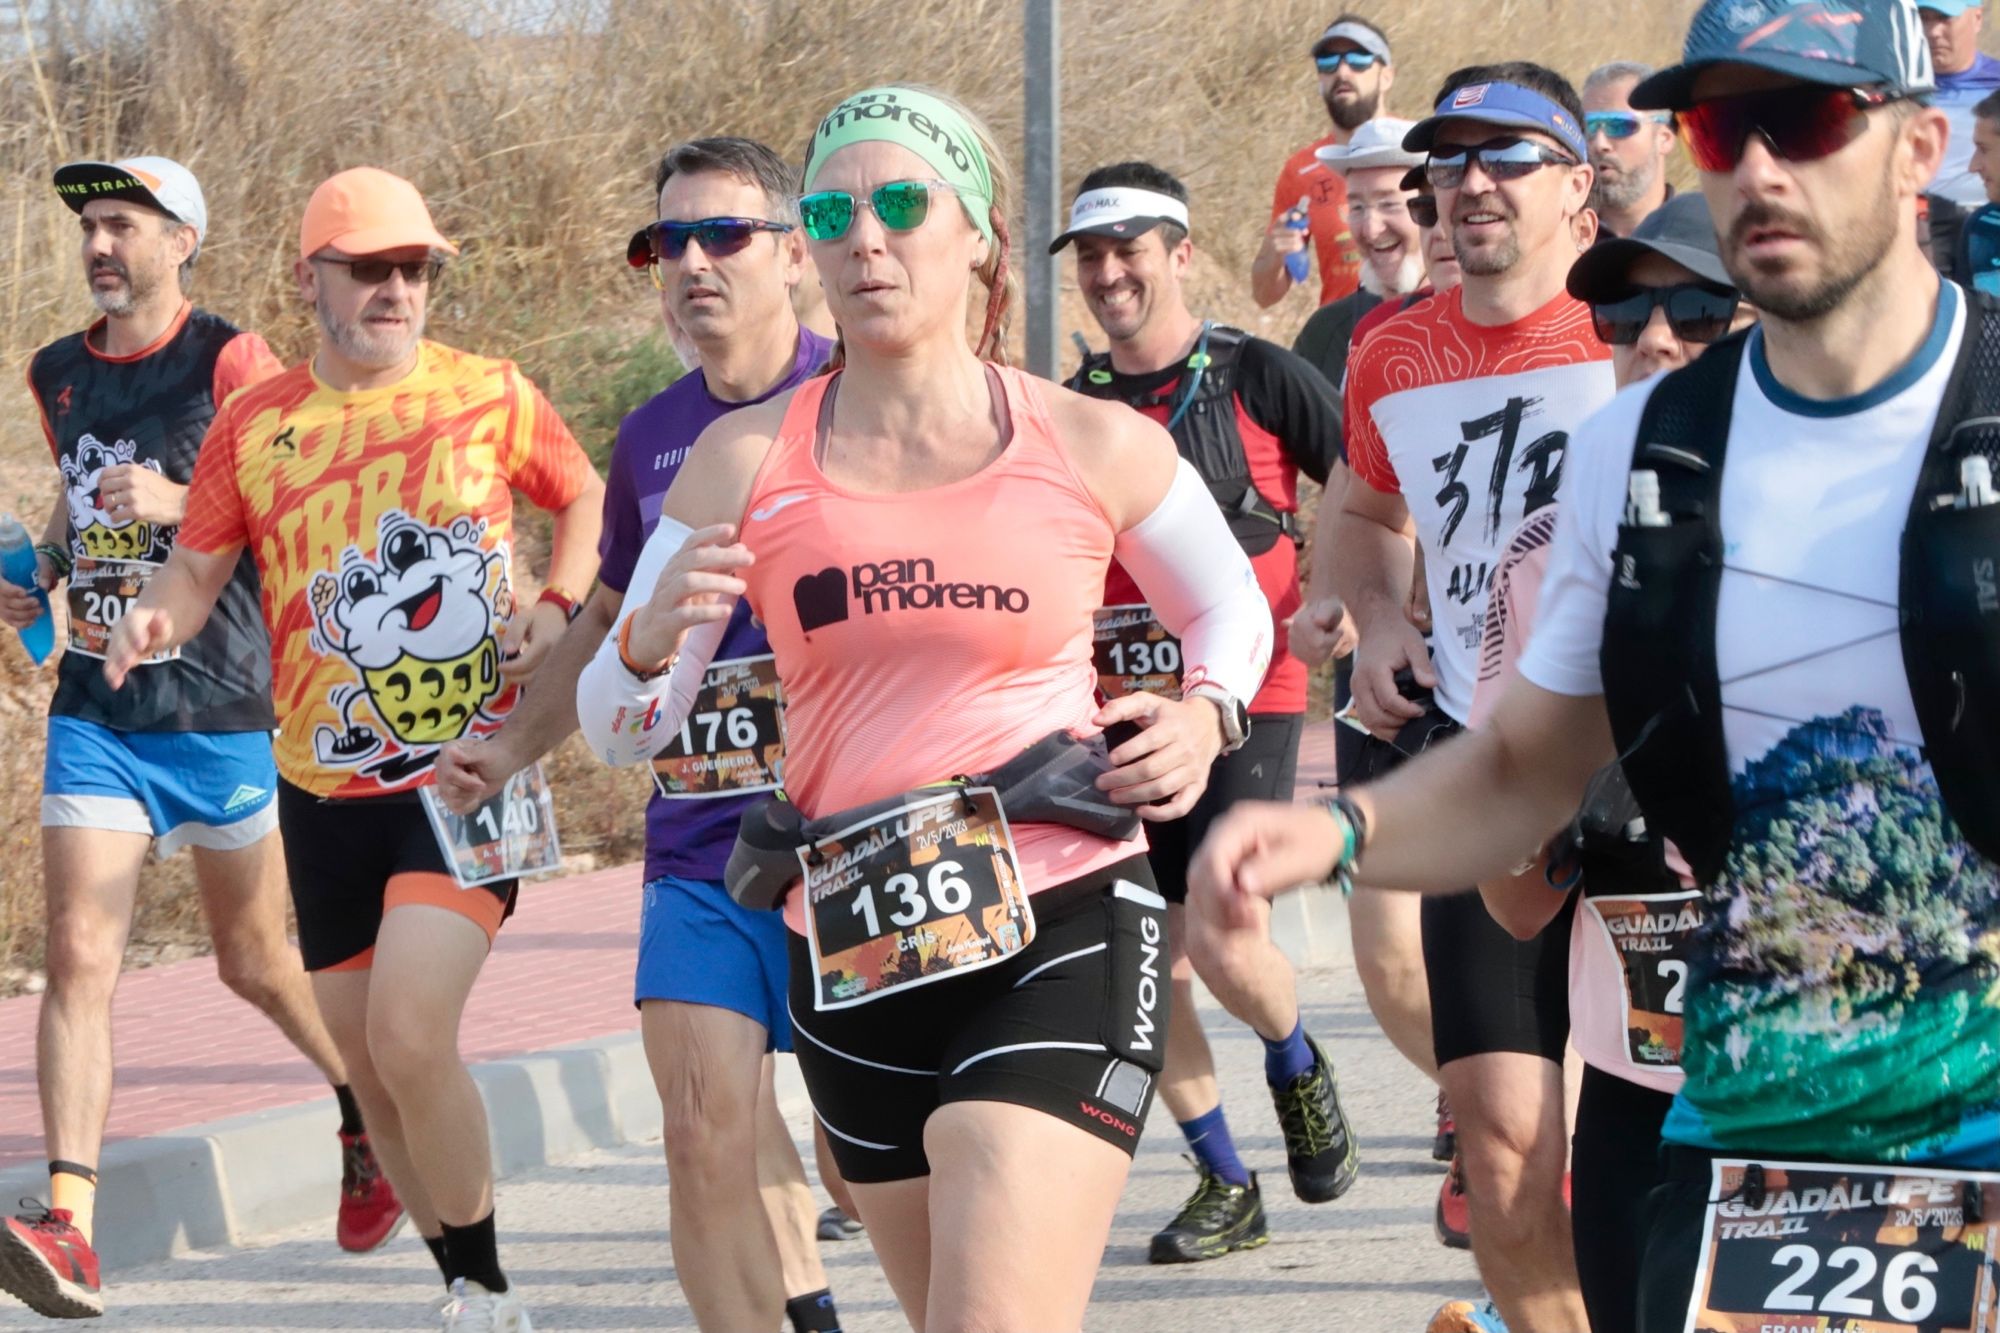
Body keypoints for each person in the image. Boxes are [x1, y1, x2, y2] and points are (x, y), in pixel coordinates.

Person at [1194, 3, 2000, 1330]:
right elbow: (1523, 760)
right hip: (1759, 1109)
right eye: (1718, 128)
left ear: (1919, 146)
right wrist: (1333, 831)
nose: (1756, 168)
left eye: (1800, 120)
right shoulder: (1647, 451)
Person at [573, 84, 1273, 1331]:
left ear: (980, 233)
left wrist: (1206, 711)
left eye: (902, 203)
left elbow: (1232, 608)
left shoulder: (1085, 438)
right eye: (833, 210)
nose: (866, 238)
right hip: (850, 945)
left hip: (1063, 914)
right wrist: (639, 640)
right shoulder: (745, 460)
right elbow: (623, 730)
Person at [101, 166, 604, 1332]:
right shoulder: (254, 423)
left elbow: (580, 495)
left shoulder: (489, 393)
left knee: (411, 1031)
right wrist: (154, 618)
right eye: (369, 268)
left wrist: (560, 600)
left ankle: (488, 1286)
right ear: (310, 278)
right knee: (373, 1076)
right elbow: (197, 567)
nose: (394, 289)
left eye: (413, 269)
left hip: (465, 775)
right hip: (318, 786)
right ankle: (457, 1277)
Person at [432, 136, 845, 1333]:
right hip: (701, 841)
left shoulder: (863, 395)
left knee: (859, 1159)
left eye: (724, 235)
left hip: (854, 834)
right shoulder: (652, 438)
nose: (693, 262)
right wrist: (509, 746)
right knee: (702, 1123)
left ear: (794, 254)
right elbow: (610, 617)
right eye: (671, 241)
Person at [0, 156, 394, 1323]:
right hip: (99, 710)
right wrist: (43, 577)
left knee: (255, 962)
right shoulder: (57, 371)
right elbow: (77, 505)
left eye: (124, 223)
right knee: (77, 949)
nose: (100, 243)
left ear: (185, 241)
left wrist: (184, 505)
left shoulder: (234, 358)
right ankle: (70, 1224)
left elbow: (309, 486)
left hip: (220, 705)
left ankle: (362, 1102)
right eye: (89, 226)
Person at [1323, 64, 1610, 1331]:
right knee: (1497, 1139)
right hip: (1477, 758)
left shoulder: (1636, 327)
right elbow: (1360, 511)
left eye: (1507, 156)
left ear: (1578, 189)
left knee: (1638, 1119)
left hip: (1630, 769)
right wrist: (1380, 613)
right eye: (1451, 161)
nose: (1471, 182)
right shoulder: (1392, 348)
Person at [1053, 162, 1356, 1264]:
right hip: (1112, 702)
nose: (1106, 273)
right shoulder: (1068, 405)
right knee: (1145, 953)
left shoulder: (1256, 373)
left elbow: (1367, 488)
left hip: (1246, 689)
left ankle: (1294, 1061)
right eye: (1088, 255)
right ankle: (1224, 1177)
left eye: (1126, 247)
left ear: (1180, 253)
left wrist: (1351, 598)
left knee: (1223, 929)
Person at [1475, 191, 1753, 1333]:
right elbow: (1510, 905)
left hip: (1830, 1070)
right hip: (1639, 1071)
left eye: (1693, 305)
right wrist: (1569, 818)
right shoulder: (1541, 555)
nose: (1655, 336)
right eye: (1626, 311)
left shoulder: (1869, 522)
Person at [1251, 14, 1395, 309]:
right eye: (1328, 62)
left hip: (1420, 329)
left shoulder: (1420, 148)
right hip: (1343, 338)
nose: (1342, 71)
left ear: (1386, 76)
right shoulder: (1302, 169)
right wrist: (1275, 251)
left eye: (1358, 59)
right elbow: (1265, 296)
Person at [1292, 118, 1428, 387]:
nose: (1371, 229)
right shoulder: (1327, 333)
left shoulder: (1479, 317)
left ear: (1432, 207)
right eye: (1357, 208)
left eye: (1389, 204)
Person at [1581, 62, 1678, 237]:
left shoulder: (1700, 236)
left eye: (1620, 126)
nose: (1599, 143)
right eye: (1588, 127)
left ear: (1664, 139)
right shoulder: (1561, 239)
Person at [1922, 0, 2000, 204]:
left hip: (1985, 226)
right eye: (1923, 18)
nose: (1933, 32)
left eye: (1944, 18)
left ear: (1977, 19)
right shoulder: (1887, 88)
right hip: (1912, 225)